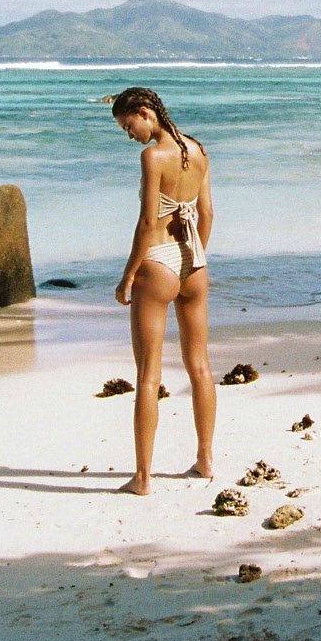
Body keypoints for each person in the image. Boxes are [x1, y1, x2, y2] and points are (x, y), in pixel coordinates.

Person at [110, 86, 216, 495]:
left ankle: (142, 478)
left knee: (148, 374)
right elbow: (206, 213)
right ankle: (205, 459)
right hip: (194, 262)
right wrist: (194, 257)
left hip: (157, 263)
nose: (129, 135)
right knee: (200, 366)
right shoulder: (199, 151)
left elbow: (146, 223)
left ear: (144, 112)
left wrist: (128, 276)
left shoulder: (153, 157)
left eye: (128, 125)